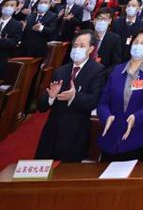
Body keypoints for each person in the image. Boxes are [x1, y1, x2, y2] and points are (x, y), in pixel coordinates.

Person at [35, 30, 105, 162]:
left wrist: (74, 96)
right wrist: (51, 97)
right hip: (53, 131)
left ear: (91, 49)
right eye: (75, 45)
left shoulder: (97, 71)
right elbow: (41, 106)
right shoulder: (60, 71)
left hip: (76, 132)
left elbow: (94, 100)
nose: (77, 49)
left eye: (82, 46)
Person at [97, 28, 143, 161]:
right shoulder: (117, 70)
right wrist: (106, 116)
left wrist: (136, 117)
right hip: (111, 135)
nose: (138, 45)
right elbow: (103, 102)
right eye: (136, 42)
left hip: (135, 137)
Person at [0, 0, 22, 80]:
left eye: (12, 5)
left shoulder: (17, 25)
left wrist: (1, 40)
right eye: (6, 5)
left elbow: (13, 42)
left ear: (16, 8)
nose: (8, 7)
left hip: (2, 58)